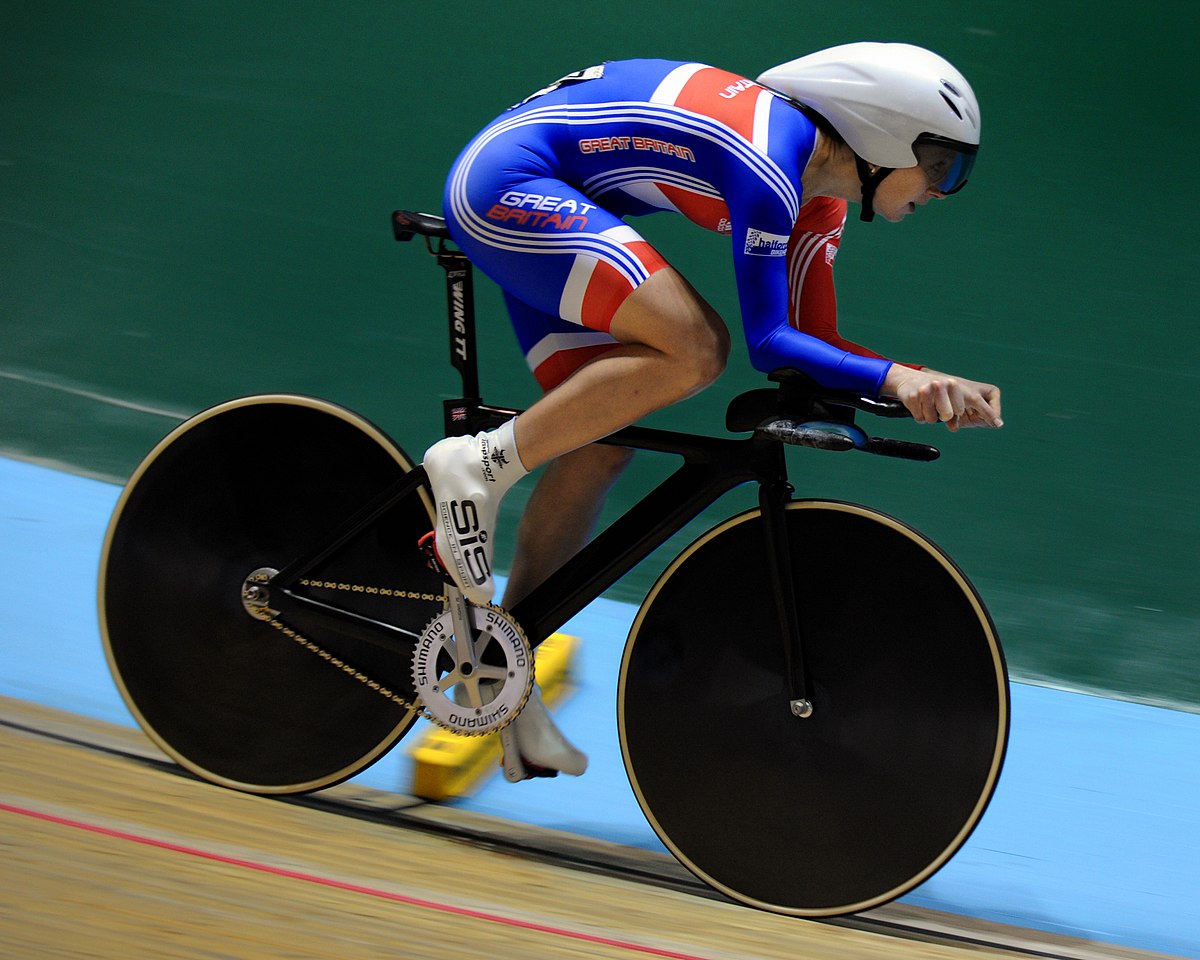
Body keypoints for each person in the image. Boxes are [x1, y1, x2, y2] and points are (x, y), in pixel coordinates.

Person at [422, 42, 1003, 778]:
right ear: (883, 133)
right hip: (507, 180)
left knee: (598, 445)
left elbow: (810, 343)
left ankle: (505, 678)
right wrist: (897, 379)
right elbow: (768, 342)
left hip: (557, 191)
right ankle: (475, 462)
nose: (945, 190)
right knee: (697, 348)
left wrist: (919, 381)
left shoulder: (818, 201)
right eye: (943, 164)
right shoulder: (770, 156)